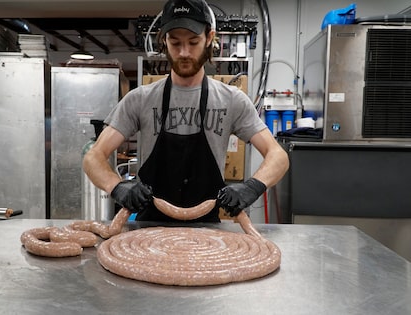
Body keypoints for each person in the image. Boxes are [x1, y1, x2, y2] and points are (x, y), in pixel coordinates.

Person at [83, 0, 289, 222]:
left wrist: (252, 186)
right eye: (175, 42)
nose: (184, 52)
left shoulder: (232, 100)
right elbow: (93, 157)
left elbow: (278, 156)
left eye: (193, 42)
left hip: (207, 230)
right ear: (163, 40)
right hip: (148, 229)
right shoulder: (140, 99)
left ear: (209, 38)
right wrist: (118, 187)